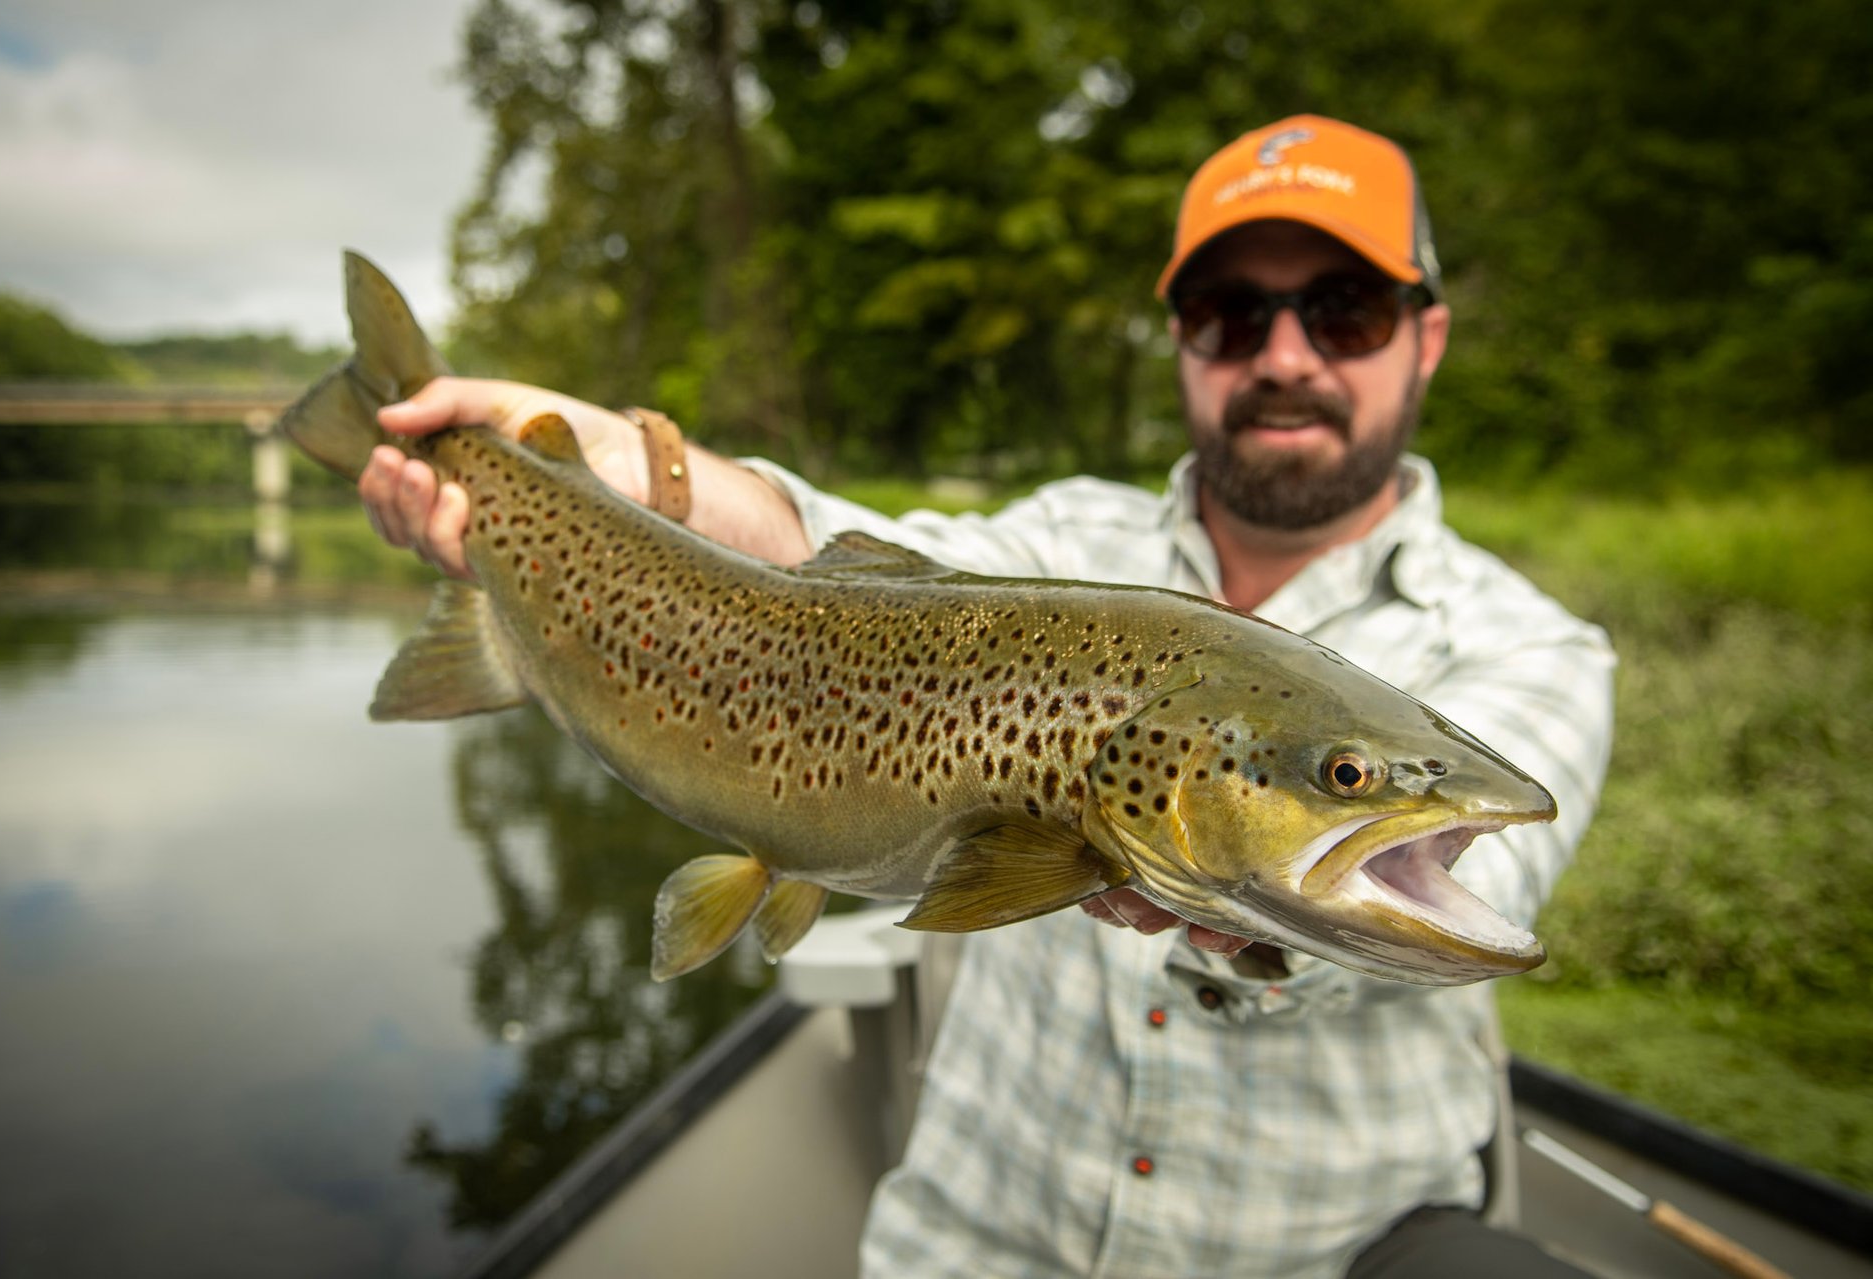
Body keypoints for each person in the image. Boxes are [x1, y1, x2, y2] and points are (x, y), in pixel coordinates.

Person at [360, 114, 1615, 1278]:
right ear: (1182, 336)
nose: (1284, 356)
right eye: (1234, 313)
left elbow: (1470, 901)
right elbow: (812, 550)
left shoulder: (1538, 647)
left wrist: (1260, 918)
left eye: (1342, 311)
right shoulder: (1067, 541)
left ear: (1425, 337)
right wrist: (625, 461)